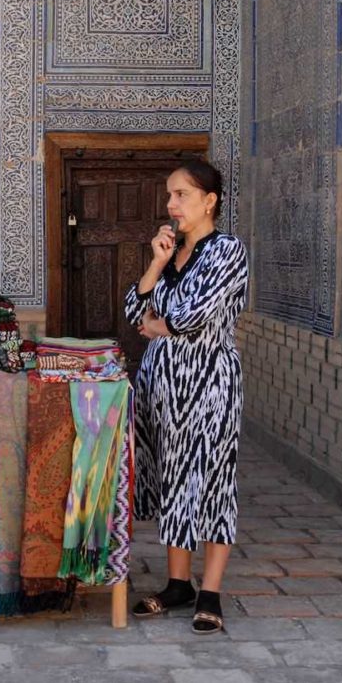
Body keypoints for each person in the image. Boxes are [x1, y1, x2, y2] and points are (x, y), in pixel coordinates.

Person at [123, 159, 249, 634]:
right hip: (161, 386)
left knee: (214, 479)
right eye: (170, 195)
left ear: (209, 200)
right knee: (174, 477)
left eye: (181, 195)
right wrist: (156, 261)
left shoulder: (227, 251)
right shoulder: (172, 252)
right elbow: (135, 310)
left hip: (209, 383)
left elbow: (190, 315)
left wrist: (161, 323)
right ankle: (179, 584)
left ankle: (210, 592)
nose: (171, 204)